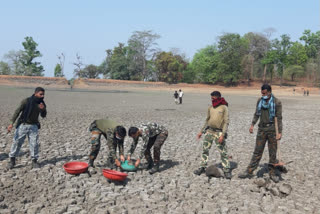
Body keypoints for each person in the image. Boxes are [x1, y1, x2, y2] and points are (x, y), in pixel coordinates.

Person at [238, 84, 282, 183]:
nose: (263, 95)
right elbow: (257, 113)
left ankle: (272, 173)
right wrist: (252, 124)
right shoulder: (260, 101)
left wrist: (280, 132)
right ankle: (249, 171)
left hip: (272, 130)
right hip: (261, 129)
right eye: (262, 93)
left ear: (270, 92)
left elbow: (279, 118)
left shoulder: (277, 102)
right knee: (257, 151)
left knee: (272, 153)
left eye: (265, 93)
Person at [194, 91, 232, 179]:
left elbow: (226, 122)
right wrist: (201, 131)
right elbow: (207, 120)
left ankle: (226, 170)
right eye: (211, 98)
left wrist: (223, 134)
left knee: (223, 152)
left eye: (213, 98)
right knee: (205, 150)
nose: (212, 99)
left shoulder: (224, 108)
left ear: (218, 97)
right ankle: (202, 167)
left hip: (219, 133)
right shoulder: (210, 107)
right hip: (209, 132)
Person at [7, 87, 47, 169]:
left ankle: (34, 161)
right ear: (35, 93)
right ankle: (12, 160)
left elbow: (43, 115)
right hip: (23, 125)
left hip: (34, 126)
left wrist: (43, 109)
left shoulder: (41, 103)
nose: (42, 96)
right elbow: (17, 111)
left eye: (43, 94)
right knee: (17, 142)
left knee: (34, 144)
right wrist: (11, 123)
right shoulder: (26, 101)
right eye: (40, 94)